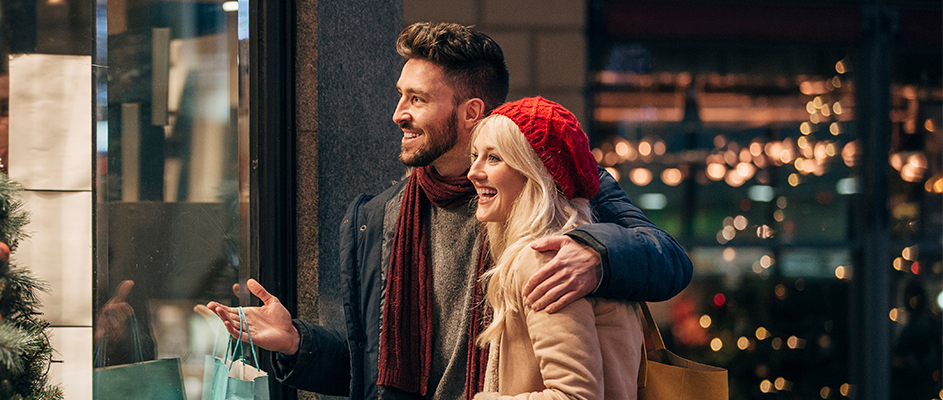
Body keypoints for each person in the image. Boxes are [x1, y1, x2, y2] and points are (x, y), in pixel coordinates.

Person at [207, 22, 691, 400]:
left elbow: (669, 259)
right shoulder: (378, 218)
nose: (398, 113)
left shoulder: (557, 192)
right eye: (401, 95)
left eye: (417, 99)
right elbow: (374, 372)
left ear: (470, 112)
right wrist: (296, 342)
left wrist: (595, 252)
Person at [468, 96, 642, 400]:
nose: (473, 172)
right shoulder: (583, 249)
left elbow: (576, 396)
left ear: (534, 173)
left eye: (494, 158)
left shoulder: (545, 258)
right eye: (475, 156)